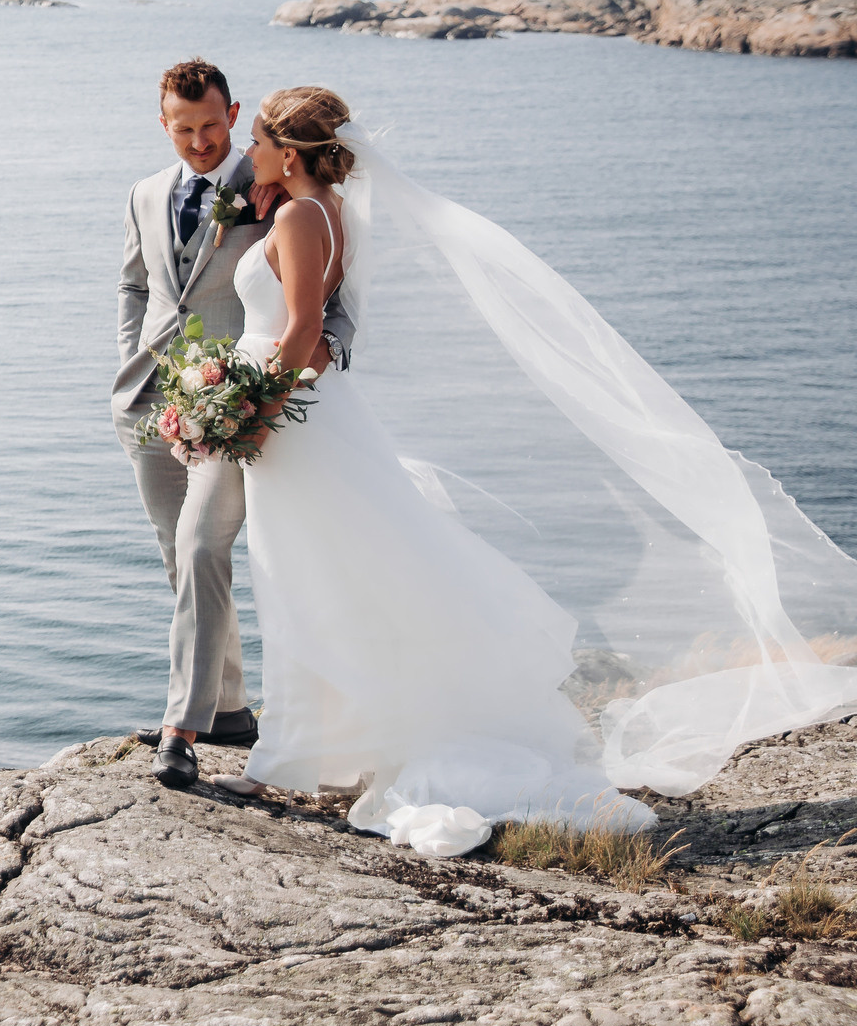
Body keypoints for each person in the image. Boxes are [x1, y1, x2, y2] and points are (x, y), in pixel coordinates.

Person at [210, 85, 857, 855]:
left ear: (289, 151)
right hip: (304, 421)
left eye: (256, 138)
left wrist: (254, 407)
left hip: (293, 421)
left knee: (304, 580)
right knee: (327, 578)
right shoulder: (322, 211)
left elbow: (305, 325)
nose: (247, 152)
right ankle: (316, 743)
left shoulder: (300, 215)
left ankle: (285, 755)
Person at [114, 60, 350, 791]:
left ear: (234, 112)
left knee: (201, 546)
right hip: (153, 397)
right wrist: (130, 363)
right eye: (184, 129)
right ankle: (228, 707)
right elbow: (134, 282)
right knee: (181, 555)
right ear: (164, 125)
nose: (202, 140)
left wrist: (301, 371)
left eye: (214, 125)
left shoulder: (276, 187)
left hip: (237, 400)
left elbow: (326, 297)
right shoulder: (145, 192)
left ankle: (180, 728)